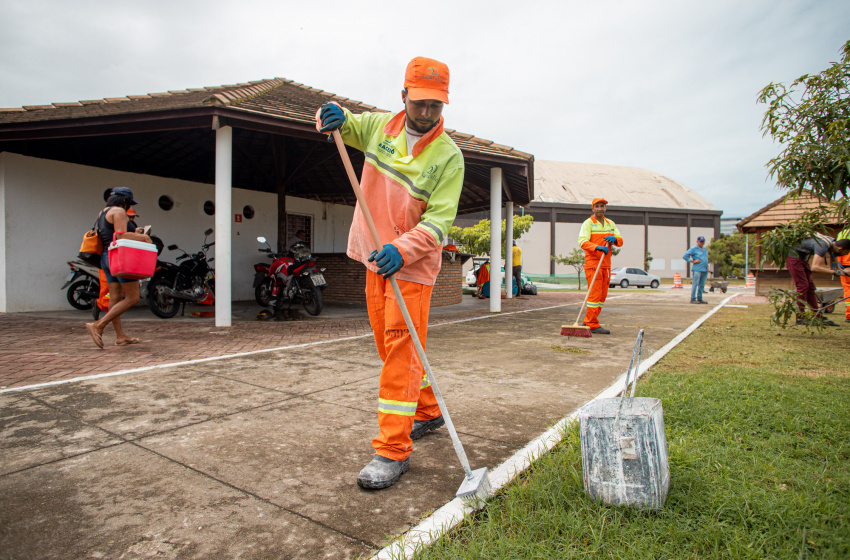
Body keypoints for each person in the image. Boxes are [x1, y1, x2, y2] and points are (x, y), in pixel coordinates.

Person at [316, 56, 463, 490]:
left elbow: (439, 222)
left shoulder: (449, 158)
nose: (427, 111)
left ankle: (393, 449)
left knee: (400, 354)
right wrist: (329, 116)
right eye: (420, 102)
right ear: (404, 96)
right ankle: (428, 410)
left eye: (436, 104)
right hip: (373, 259)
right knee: (391, 346)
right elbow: (341, 123)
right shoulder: (379, 127)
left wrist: (403, 249)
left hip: (411, 268)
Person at [85, 187, 151, 348]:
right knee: (133, 297)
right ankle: (98, 325)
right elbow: (120, 235)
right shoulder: (119, 211)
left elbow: (111, 233)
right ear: (124, 200)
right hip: (121, 256)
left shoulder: (103, 212)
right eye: (129, 202)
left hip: (107, 257)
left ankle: (120, 336)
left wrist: (135, 232)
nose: (129, 206)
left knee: (114, 298)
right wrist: (144, 237)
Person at [578, 197, 623, 334]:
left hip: (606, 265)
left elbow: (620, 240)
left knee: (602, 296)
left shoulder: (610, 224)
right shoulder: (588, 224)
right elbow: (582, 242)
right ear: (592, 208)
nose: (599, 208)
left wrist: (615, 239)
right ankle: (591, 323)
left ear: (605, 208)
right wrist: (597, 247)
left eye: (602, 206)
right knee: (595, 295)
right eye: (597, 206)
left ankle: (590, 320)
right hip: (593, 264)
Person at [786, 234, 850, 326]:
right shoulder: (823, 246)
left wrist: (841, 271)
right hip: (794, 259)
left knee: (811, 287)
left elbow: (834, 257)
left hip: (803, 259)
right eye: (846, 252)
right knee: (803, 287)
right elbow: (815, 268)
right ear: (840, 249)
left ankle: (817, 315)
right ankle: (800, 317)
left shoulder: (833, 242)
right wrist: (836, 272)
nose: (846, 254)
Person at [683, 236, 709, 304]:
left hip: (704, 269)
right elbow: (685, 256)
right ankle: (693, 298)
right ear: (697, 241)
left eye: (703, 241)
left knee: (702, 284)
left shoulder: (704, 249)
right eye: (700, 241)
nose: (702, 243)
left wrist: (707, 266)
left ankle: (699, 298)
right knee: (695, 283)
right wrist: (693, 261)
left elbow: (705, 257)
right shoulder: (693, 248)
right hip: (697, 269)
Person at [839, 227, 850, 323]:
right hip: (846, 266)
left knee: (847, 290)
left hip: (843, 266)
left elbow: (837, 248)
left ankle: (849, 315)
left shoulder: (843, 232)